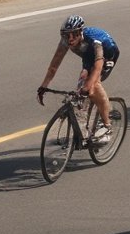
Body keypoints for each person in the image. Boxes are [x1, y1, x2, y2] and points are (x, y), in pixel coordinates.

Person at [37, 15, 119, 144]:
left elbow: (98, 67)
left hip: (107, 55)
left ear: (80, 32)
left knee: (93, 86)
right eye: (66, 35)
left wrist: (88, 88)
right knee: (79, 90)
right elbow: (53, 66)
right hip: (87, 57)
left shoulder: (94, 41)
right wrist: (43, 87)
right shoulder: (65, 42)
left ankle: (107, 127)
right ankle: (86, 126)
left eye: (74, 34)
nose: (70, 39)